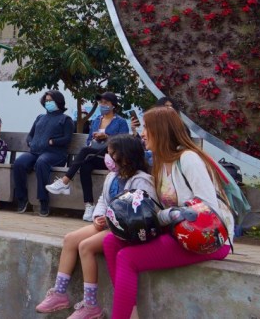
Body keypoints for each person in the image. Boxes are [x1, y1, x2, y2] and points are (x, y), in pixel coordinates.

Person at [103, 106, 234, 319]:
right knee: (111, 242)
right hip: (179, 231)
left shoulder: (189, 159)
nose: (142, 134)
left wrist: (166, 216)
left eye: (147, 128)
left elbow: (207, 208)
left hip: (206, 238)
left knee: (127, 258)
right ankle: (129, 313)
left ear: (161, 131)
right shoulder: (161, 163)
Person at [35, 134, 153, 318]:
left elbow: (142, 211)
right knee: (70, 239)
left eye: (112, 154)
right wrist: (98, 216)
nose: (108, 158)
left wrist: (112, 219)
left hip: (124, 230)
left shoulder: (141, 180)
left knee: (86, 246)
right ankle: (59, 293)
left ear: (126, 156)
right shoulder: (112, 176)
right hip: (107, 224)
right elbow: (103, 200)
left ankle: (90, 305)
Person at [46, 91, 131, 220]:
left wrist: (107, 137)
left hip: (112, 158)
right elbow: (88, 141)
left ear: (113, 105)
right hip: (96, 155)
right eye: (101, 102)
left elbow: (124, 142)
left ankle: (65, 181)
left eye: (106, 103)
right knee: (85, 166)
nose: (102, 105)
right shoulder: (96, 120)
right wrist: (94, 140)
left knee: (85, 151)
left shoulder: (120, 122)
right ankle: (89, 205)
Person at [12, 90, 74, 216]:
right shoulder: (40, 117)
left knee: (41, 162)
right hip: (35, 152)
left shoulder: (65, 119)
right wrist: (30, 142)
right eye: (46, 100)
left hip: (55, 154)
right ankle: (22, 198)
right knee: (18, 163)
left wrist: (53, 142)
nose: (48, 103)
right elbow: (30, 135)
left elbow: (67, 138)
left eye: (51, 100)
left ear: (58, 102)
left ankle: (43, 200)